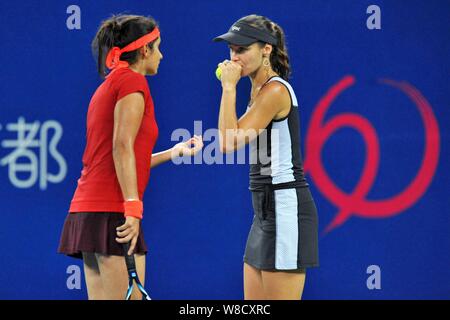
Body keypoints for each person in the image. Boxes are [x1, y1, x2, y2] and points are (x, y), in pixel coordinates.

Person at [58, 14, 203, 300]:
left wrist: (173, 152)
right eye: (158, 47)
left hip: (88, 211)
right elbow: (121, 146)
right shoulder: (132, 83)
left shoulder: (108, 85)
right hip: (115, 212)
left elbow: (122, 159)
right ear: (145, 50)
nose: (162, 55)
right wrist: (133, 208)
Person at [214, 14, 319, 300]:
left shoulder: (274, 91)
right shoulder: (257, 88)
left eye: (242, 49)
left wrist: (227, 87)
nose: (234, 57)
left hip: (286, 210)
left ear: (266, 50)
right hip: (263, 213)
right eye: (232, 49)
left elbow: (227, 142)